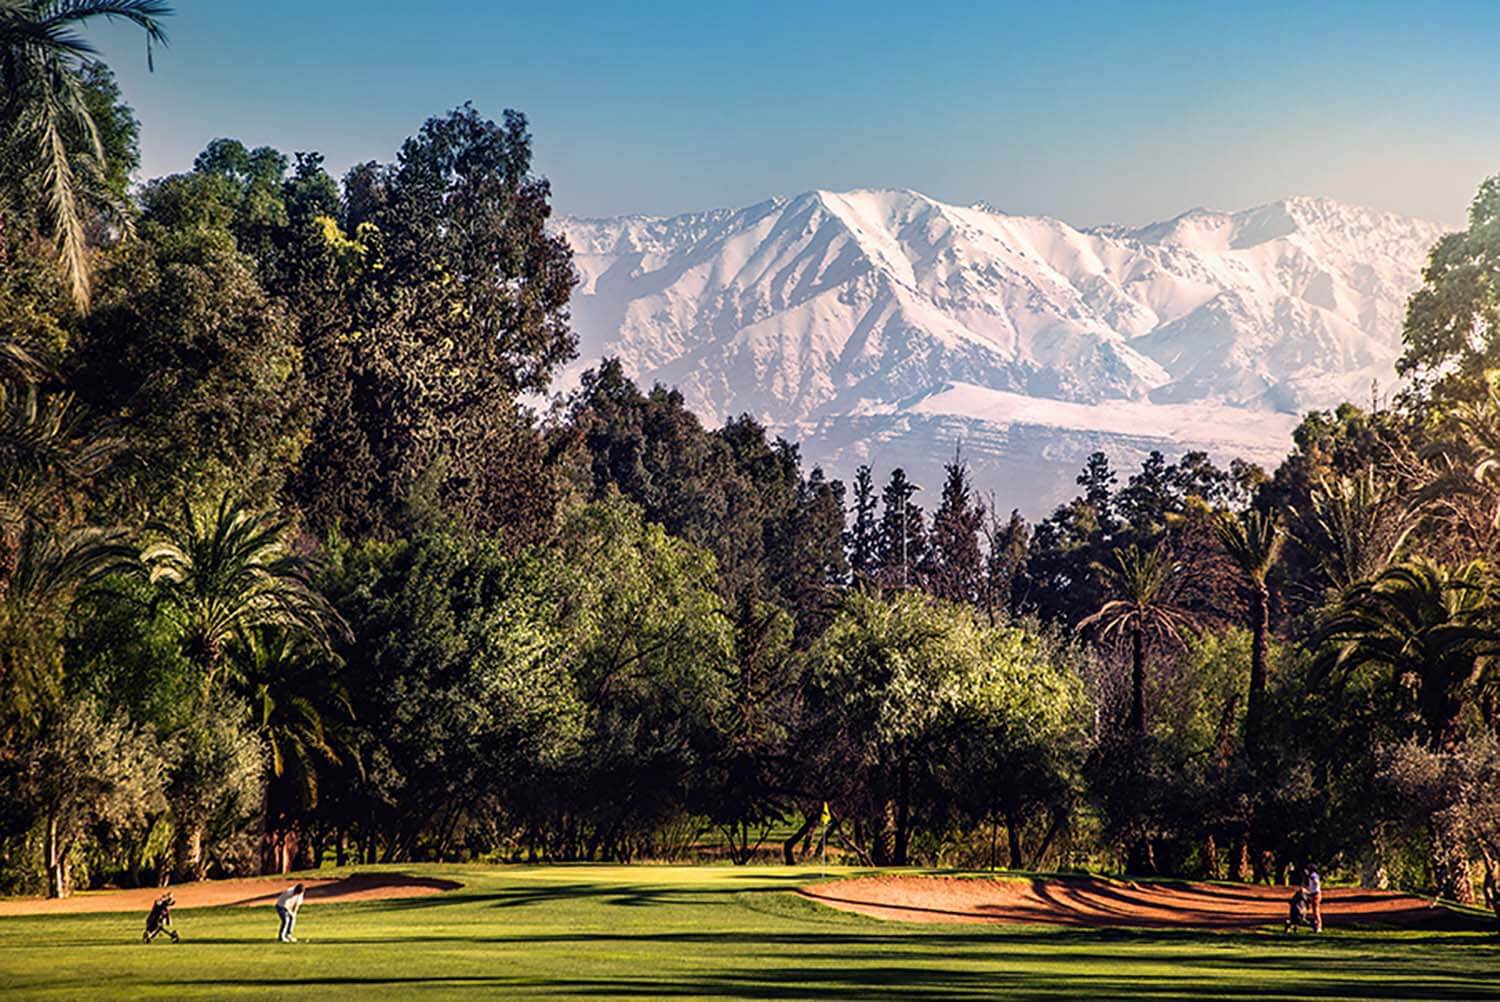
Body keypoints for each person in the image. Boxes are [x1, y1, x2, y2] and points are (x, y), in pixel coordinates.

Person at [1304, 863, 1322, 932]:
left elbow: (1316, 882)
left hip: (1315, 894)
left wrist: (1309, 877)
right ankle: (1316, 925)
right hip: (1313, 894)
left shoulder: (1313, 875)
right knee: (1315, 911)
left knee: (1316, 911)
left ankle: (1318, 926)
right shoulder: (1312, 876)